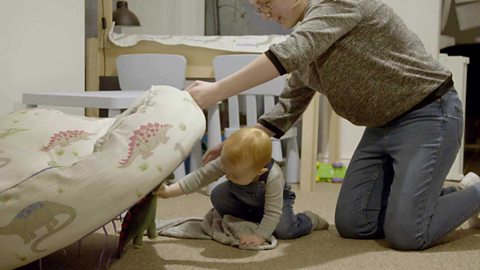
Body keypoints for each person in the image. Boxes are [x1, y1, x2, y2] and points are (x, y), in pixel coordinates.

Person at [185, 0, 480, 250]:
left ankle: (475, 193)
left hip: (428, 114)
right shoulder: (311, 32)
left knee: (407, 234)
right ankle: (428, 200)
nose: (264, 13)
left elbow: (289, 53)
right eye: (258, 7)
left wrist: (216, 91)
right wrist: (244, 140)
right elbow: (291, 101)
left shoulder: (337, 4)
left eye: (266, 1)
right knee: (354, 223)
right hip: (381, 128)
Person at [154, 127, 328, 247]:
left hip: (275, 204)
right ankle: (255, 219)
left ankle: (310, 219)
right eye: (226, 171)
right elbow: (200, 177)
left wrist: (259, 236)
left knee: (285, 230)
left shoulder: (273, 177)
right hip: (243, 196)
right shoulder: (229, 162)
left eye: (234, 175)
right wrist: (169, 192)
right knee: (218, 195)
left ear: (259, 171)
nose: (227, 176)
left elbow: (273, 212)